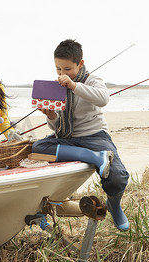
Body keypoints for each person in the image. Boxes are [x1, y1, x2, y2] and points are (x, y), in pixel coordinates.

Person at [32, 39, 130, 231]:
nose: (62, 74)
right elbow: (56, 126)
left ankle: (114, 204)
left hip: (95, 136)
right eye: (58, 69)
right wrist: (51, 115)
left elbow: (103, 99)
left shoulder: (92, 80)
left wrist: (74, 86)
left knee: (117, 177)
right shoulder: (57, 86)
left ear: (80, 64)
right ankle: (93, 157)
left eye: (67, 69)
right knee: (38, 148)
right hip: (68, 138)